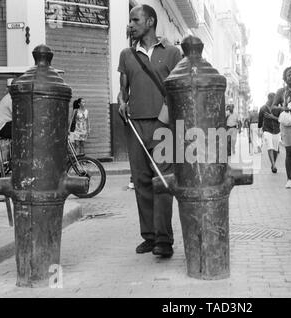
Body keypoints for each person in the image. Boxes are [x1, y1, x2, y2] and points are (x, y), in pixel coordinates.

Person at [118, 4, 182, 258]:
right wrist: (122, 103)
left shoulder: (172, 53)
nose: (131, 24)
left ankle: (164, 240)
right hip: (135, 126)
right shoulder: (126, 54)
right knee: (142, 182)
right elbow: (123, 90)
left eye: (135, 20)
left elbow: (178, 89)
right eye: (130, 20)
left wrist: (166, 117)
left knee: (163, 182)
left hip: (164, 126)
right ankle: (150, 236)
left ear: (151, 21)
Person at [258, 93, 280, 173]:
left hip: (277, 130)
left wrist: (272, 117)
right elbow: (260, 120)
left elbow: (281, 119)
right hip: (267, 130)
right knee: (270, 147)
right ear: (269, 98)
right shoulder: (263, 108)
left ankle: (273, 163)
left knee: (276, 149)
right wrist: (259, 129)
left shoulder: (277, 108)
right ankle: (273, 165)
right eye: (274, 99)